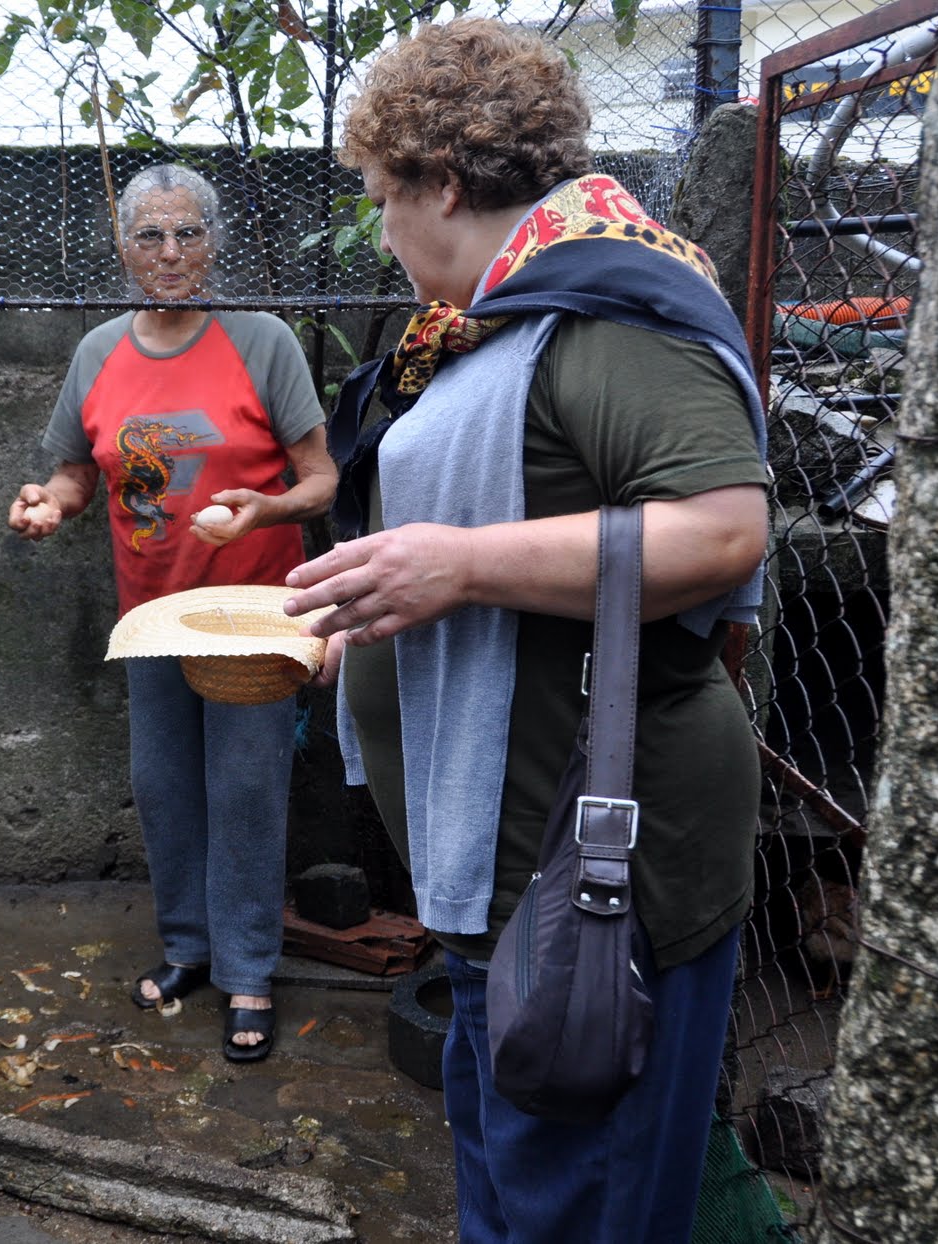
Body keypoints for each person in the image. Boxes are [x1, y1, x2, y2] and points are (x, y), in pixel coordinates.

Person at [281, 19, 769, 1243]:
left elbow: (720, 530)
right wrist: (369, 611)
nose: (384, 232)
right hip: (494, 866)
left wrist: (451, 566)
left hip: (596, 867)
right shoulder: (500, 316)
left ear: (442, 183)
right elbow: (507, 527)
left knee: (581, 1204)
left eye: (384, 199)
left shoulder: (608, 310)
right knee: (516, 1185)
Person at [9, 164, 337, 1062]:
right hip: (150, 617)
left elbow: (321, 481)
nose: (170, 252)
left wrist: (261, 511)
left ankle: (249, 972)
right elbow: (79, 468)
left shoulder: (262, 342)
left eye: (188, 233)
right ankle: (190, 949)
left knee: (245, 790)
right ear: (123, 247)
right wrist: (51, 502)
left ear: (214, 242)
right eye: (150, 235)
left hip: (253, 615)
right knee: (163, 788)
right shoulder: (98, 353)